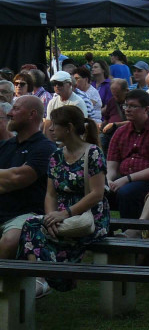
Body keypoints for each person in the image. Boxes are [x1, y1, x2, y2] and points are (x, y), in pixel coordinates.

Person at [18, 105, 108, 296]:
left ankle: (43, 280)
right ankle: (45, 279)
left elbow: (97, 194)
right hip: (61, 214)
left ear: (68, 127)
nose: (50, 129)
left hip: (89, 215)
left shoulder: (92, 153)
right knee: (34, 226)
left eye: (54, 125)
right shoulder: (56, 156)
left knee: (32, 227)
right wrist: (52, 216)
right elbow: (51, 194)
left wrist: (65, 214)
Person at [0, 96, 57, 259]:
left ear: (32, 114)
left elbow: (18, 178)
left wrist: (8, 179)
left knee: (10, 241)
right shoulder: (5, 146)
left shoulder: (45, 148)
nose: (10, 113)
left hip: (25, 215)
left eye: (16, 109)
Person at [105, 90, 149, 221]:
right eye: (126, 106)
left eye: (133, 106)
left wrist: (127, 179)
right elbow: (112, 166)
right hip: (123, 178)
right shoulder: (121, 132)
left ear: (146, 109)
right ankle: (105, 232)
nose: (127, 110)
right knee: (100, 192)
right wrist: (109, 180)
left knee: (127, 193)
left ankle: (132, 232)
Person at [44, 71, 88, 139]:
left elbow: (78, 130)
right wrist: (51, 146)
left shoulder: (77, 102)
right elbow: (48, 125)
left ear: (70, 84)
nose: (57, 86)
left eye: (60, 83)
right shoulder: (52, 102)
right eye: (54, 84)